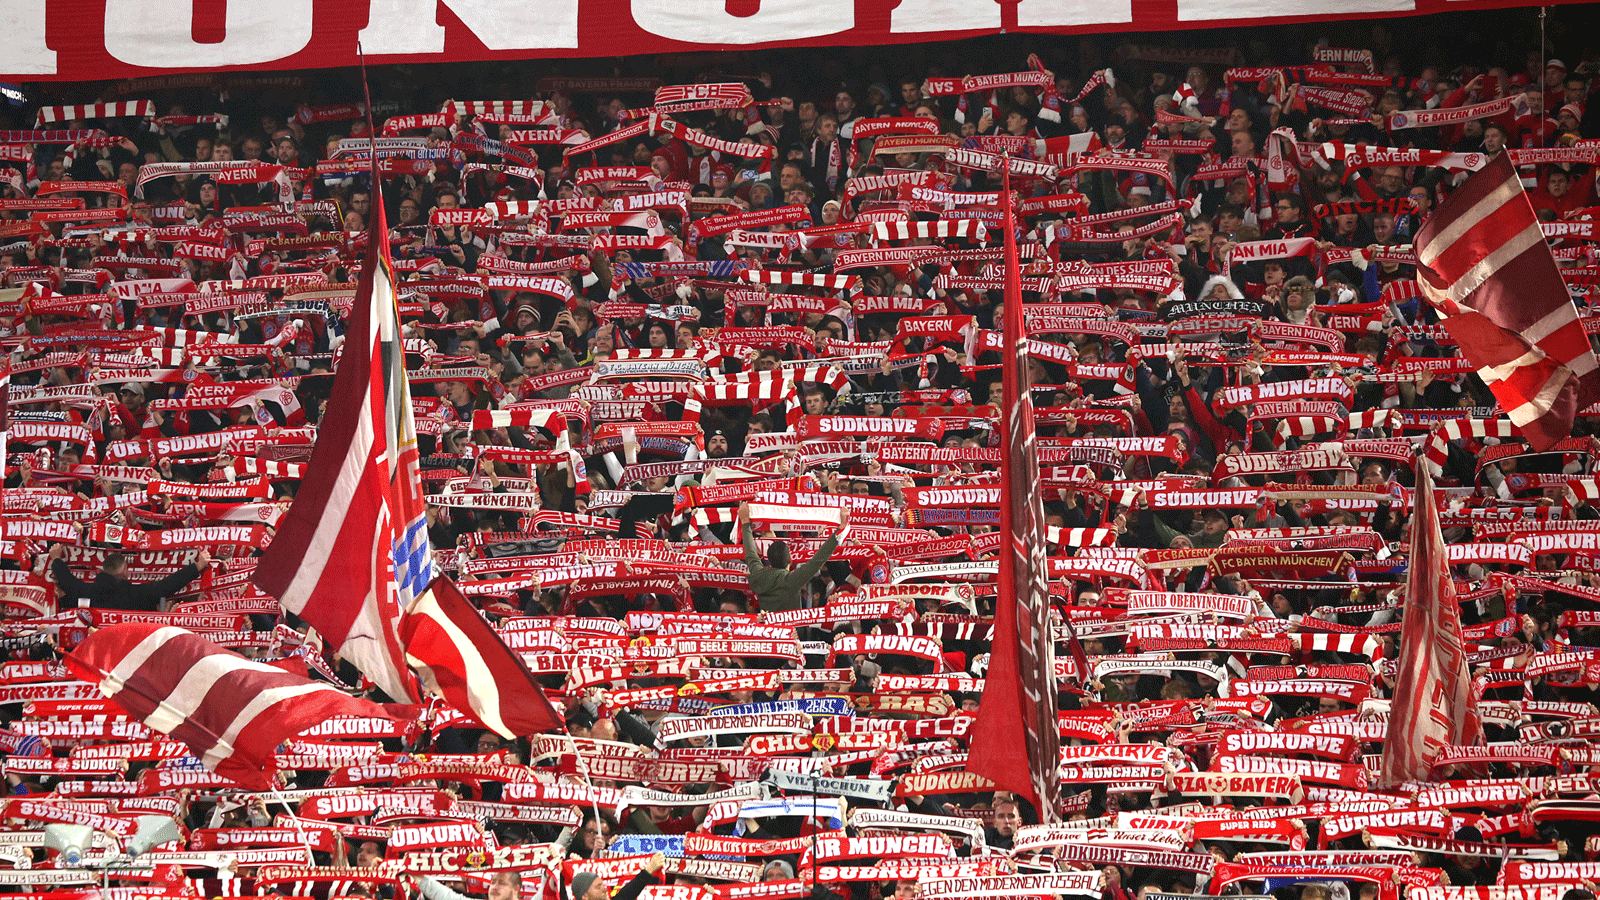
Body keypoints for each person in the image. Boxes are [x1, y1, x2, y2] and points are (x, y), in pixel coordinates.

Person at [737, 501, 849, 613]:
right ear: (790, 559)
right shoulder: (792, 580)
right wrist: (841, 529)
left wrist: (745, 522)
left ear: (768, 559)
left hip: (768, 628)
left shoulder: (759, 575)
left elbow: (750, 553)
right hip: (792, 630)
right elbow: (818, 559)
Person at [48, 545, 209, 612]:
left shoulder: (87, 591)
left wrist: (56, 558)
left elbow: (67, 580)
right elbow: (165, 586)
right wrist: (196, 567)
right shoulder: (133, 594)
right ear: (125, 570)